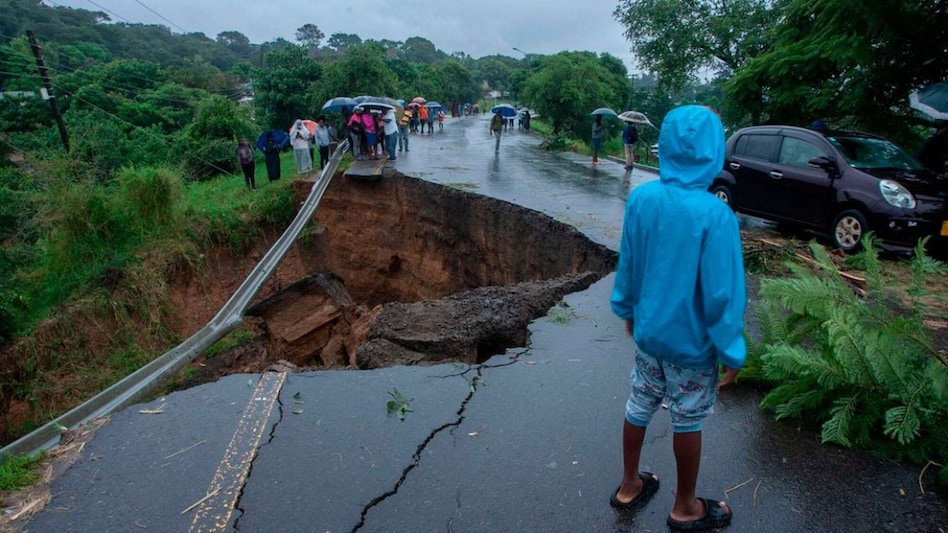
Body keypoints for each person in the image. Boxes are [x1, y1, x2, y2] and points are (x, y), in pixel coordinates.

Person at [609, 105, 745, 531]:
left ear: (664, 144)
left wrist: (628, 311)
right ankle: (685, 506)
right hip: (693, 344)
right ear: (712, 150)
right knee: (687, 417)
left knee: (639, 404)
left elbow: (629, 263)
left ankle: (630, 484)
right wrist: (731, 350)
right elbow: (722, 294)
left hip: (650, 335)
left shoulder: (642, 199)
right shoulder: (715, 215)